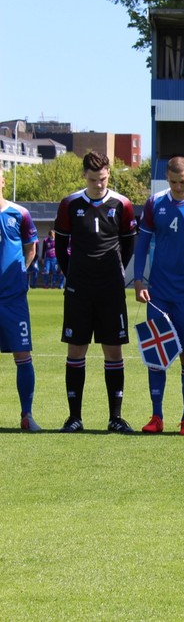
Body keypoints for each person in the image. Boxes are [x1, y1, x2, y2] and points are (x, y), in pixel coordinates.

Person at [53, 151, 137, 433]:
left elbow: (128, 245)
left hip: (111, 289)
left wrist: (114, 273)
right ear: (84, 176)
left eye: (102, 179)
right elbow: (61, 248)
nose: (99, 184)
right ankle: (74, 417)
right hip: (79, 289)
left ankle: (115, 418)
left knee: (113, 351)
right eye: (93, 179)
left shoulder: (123, 204)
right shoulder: (69, 204)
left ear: (109, 174)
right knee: (76, 349)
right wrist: (75, 275)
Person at [133, 156, 184, 435]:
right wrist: (138, 280)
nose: (178, 187)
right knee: (156, 355)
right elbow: (142, 244)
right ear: (166, 179)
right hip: (158, 294)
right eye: (173, 182)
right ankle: (156, 417)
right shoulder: (154, 204)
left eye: (183, 181)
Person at [0, 168, 40, 431]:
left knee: (22, 355)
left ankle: (27, 415)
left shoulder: (19, 213)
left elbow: (31, 248)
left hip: (13, 298)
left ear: (2, 180)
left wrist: (21, 274)